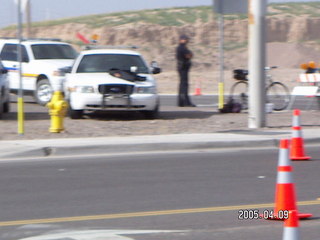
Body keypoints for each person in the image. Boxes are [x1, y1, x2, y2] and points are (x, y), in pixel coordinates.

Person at [176, 34, 196, 107]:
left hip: (182, 67)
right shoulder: (182, 48)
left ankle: (181, 102)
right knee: (184, 85)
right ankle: (185, 102)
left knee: (182, 84)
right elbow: (189, 55)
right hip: (183, 67)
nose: (186, 40)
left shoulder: (181, 47)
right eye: (184, 39)